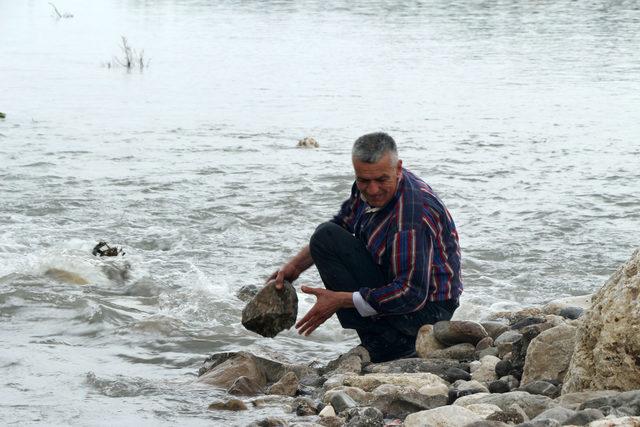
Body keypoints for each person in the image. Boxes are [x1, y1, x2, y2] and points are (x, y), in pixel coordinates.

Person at [268, 132, 462, 362]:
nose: (372, 190)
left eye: (381, 180)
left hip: (428, 310)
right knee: (325, 236)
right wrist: (293, 268)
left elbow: (412, 294)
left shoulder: (411, 215)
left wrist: (340, 299)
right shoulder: (364, 188)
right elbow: (340, 224)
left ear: (398, 168)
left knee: (329, 242)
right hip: (398, 287)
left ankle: (394, 346)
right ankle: (380, 338)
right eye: (363, 180)